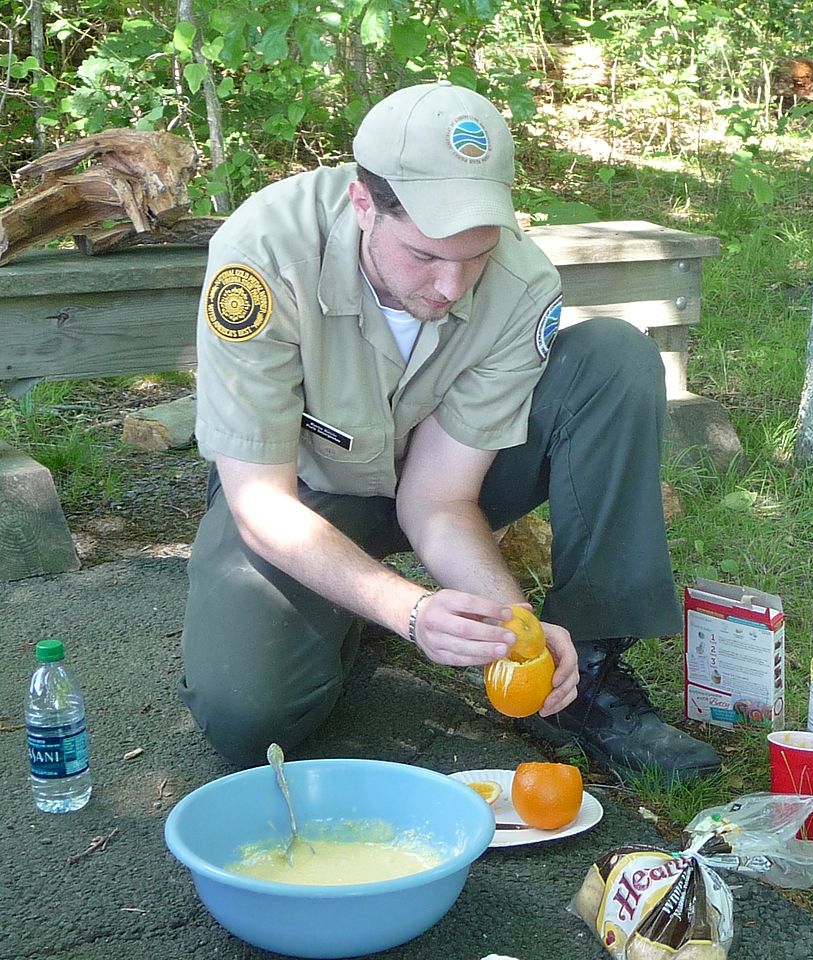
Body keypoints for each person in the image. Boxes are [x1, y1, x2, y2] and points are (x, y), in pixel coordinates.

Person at [178, 80, 721, 783]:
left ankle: (584, 678)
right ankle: (345, 612)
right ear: (363, 203)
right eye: (425, 257)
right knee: (247, 718)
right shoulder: (262, 257)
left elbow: (437, 499)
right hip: (305, 493)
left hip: (437, 480)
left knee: (614, 358)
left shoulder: (521, 283)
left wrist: (516, 632)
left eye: (476, 256)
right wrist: (405, 611)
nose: (452, 287)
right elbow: (261, 502)